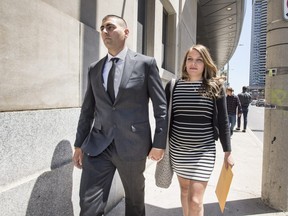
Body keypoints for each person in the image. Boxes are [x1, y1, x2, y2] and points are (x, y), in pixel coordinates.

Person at [72, 14, 167, 216]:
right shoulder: (94, 68)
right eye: (102, 28)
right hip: (98, 146)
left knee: (134, 203)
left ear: (126, 32)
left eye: (110, 27)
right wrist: (79, 144)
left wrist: (159, 143)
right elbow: (87, 110)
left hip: (133, 146)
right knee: (88, 204)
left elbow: (161, 108)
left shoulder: (145, 64)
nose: (105, 31)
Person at [165, 44, 234, 216]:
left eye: (199, 60)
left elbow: (223, 120)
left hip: (203, 151)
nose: (193, 64)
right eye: (190, 59)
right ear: (185, 62)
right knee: (184, 191)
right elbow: (164, 119)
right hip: (178, 150)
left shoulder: (215, 87)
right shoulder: (174, 86)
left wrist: (228, 151)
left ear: (206, 64)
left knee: (195, 201)